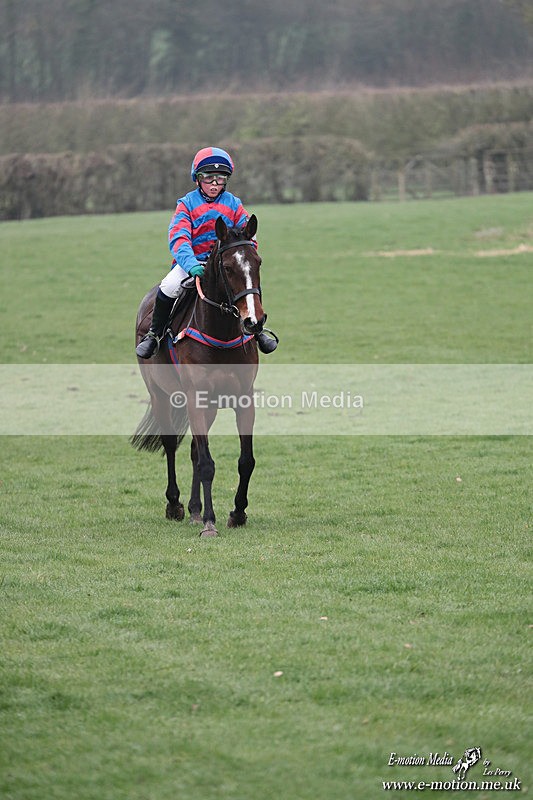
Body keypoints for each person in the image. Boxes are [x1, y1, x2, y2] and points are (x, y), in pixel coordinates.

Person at [136, 146, 278, 358]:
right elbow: (179, 238)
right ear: (197, 179)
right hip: (194, 265)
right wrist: (191, 264)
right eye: (208, 178)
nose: (214, 184)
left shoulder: (233, 204)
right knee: (168, 287)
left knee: (247, 283)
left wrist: (246, 254)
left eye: (220, 179)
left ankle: (257, 332)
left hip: (226, 264)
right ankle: (154, 336)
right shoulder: (186, 205)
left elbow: (248, 233)